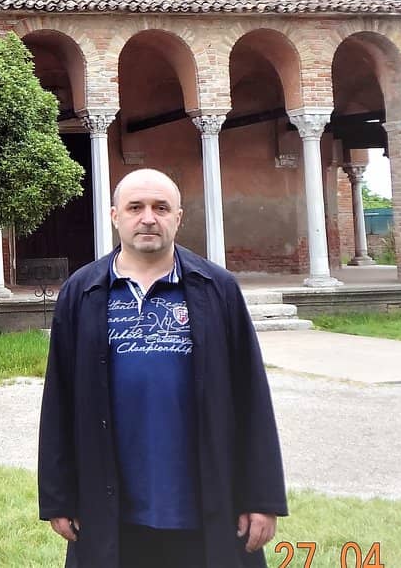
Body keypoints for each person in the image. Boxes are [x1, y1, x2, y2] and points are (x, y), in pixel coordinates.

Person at [38, 167, 288, 567]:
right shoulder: (81, 292)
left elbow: (251, 395)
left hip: (204, 503)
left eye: (161, 207)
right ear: (115, 216)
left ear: (178, 217)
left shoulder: (217, 289)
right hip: (110, 507)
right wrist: (57, 496)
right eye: (135, 207)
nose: (148, 217)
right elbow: (59, 400)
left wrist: (262, 498)